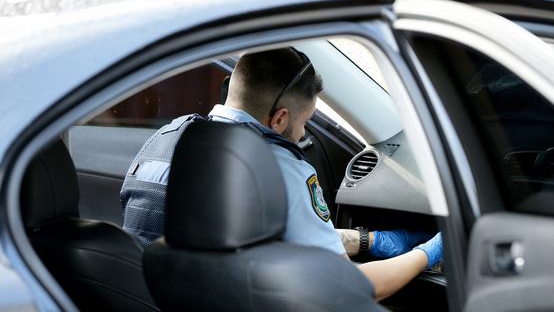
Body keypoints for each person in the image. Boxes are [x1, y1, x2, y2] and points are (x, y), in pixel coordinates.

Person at [121, 47, 443, 301]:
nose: (303, 132)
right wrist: (427, 253)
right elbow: (350, 286)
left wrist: (367, 240)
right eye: (305, 122)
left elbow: (246, 238)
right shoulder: (280, 167)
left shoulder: (165, 139)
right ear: (279, 119)